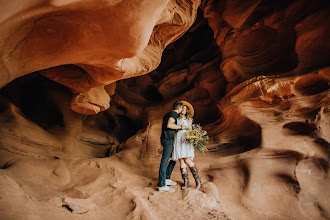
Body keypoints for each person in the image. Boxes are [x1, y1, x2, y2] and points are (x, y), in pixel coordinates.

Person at [158, 101, 187, 192]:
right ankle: (162, 185)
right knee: (165, 161)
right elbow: (169, 125)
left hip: (168, 139)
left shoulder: (169, 113)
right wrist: (181, 127)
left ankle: (166, 179)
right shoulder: (173, 114)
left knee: (174, 158)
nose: (183, 109)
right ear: (179, 108)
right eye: (182, 108)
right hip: (168, 140)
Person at [172, 101, 201, 189]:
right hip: (178, 138)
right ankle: (186, 182)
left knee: (186, 159)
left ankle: (198, 181)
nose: (184, 110)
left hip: (185, 138)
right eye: (182, 108)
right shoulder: (177, 118)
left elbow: (190, 130)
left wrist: (193, 137)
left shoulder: (188, 119)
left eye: (185, 109)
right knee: (181, 160)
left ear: (187, 110)